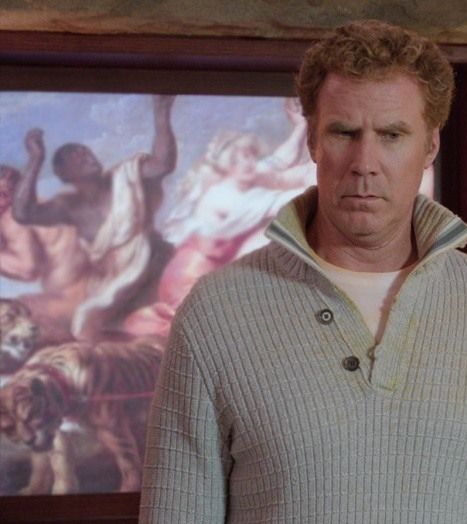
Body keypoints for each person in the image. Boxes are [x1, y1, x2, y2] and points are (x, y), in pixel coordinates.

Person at [135, 19, 467, 524]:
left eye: (392, 135)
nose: (365, 163)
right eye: (344, 132)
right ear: (312, 140)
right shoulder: (218, 312)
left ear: (430, 145)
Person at [123, 99, 314, 338]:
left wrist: (301, 126)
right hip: (190, 277)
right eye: (237, 159)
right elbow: (296, 198)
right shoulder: (227, 197)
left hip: (215, 270)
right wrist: (315, 174)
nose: (247, 163)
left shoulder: (243, 178)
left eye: (249, 155)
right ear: (226, 165)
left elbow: (279, 160)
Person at [12, 95, 177, 341]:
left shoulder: (125, 175)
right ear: (63, 174)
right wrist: (35, 160)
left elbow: (163, 165)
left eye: (86, 152)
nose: (86, 156)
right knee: (87, 324)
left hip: (153, 266)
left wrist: (161, 113)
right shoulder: (68, 206)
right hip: (111, 284)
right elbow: (23, 213)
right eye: (75, 156)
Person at [0, 164, 90, 346]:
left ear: (15, 192)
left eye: (2, 195)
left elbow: (28, 269)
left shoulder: (13, 217)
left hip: (76, 299)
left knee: (11, 316)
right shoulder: (31, 205)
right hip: (85, 290)